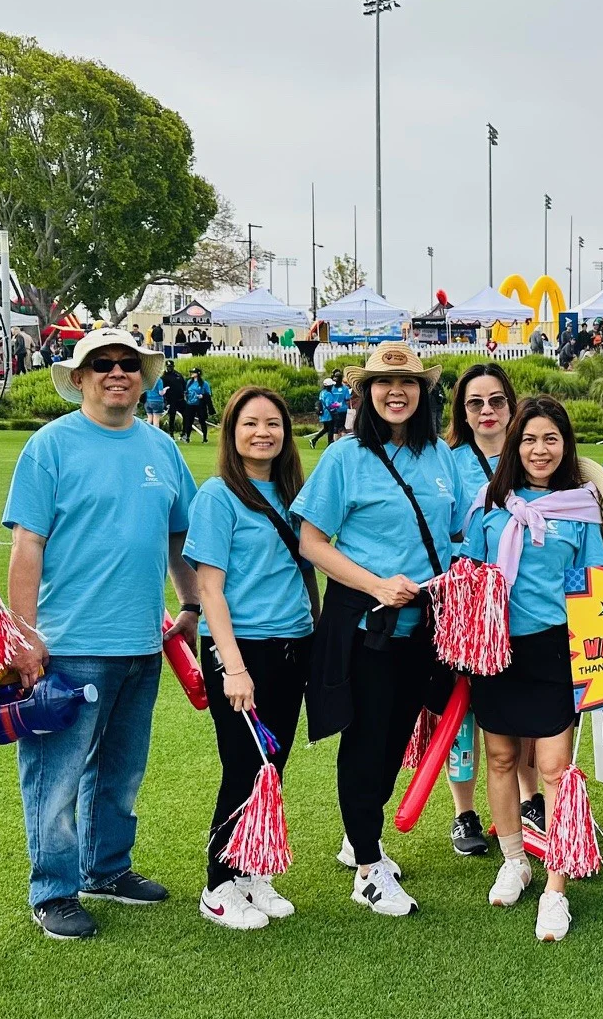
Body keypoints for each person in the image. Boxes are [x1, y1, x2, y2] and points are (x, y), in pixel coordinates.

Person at [4, 329, 200, 940]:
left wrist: (190, 602)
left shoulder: (161, 448)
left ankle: (107, 869)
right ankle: (54, 890)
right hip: (71, 644)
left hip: (143, 642)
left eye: (128, 365)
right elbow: (25, 546)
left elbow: (178, 537)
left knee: (121, 770)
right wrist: (23, 632)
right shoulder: (50, 446)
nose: (118, 373)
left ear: (144, 378)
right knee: (56, 775)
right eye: (103, 365)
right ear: (81, 377)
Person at [294, 343, 460, 918]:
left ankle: (361, 837)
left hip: (426, 627)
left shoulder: (441, 454)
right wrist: (373, 584)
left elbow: (458, 530)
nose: (397, 392)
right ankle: (366, 865)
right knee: (366, 743)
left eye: (408, 383)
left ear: (423, 393)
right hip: (368, 627)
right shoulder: (345, 459)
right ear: (364, 393)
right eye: (384, 383)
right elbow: (311, 541)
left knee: (394, 741)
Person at [459, 396, 603, 940]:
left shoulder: (581, 507)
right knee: (501, 758)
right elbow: (473, 572)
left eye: (550, 438)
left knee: (555, 768)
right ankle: (514, 859)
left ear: (565, 445)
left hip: (556, 648)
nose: (539, 449)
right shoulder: (488, 505)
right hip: (494, 649)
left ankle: (556, 888)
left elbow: (597, 582)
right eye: (529, 439)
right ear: (514, 444)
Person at [185, 386, 316, 931]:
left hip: (294, 647)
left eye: (273, 424)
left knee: (272, 769)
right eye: (250, 424)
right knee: (244, 766)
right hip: (242, 653)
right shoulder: (218, 496)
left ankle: (250, 871)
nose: (263, 433)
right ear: (231, 433)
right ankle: (218, 886)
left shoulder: (294, 492)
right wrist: (233, 669)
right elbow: (209, 590)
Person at [446, 362, 521, 856]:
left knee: (521, 705)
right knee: (463, 709)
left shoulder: (534, 455)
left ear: (512, 407)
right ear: (463, 412)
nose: (488, 411)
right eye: (476, 403)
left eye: (497, 401)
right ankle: (463, 813)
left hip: (525, 603)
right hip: (466, 602)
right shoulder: (445, 461)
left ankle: (529, 798)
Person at [183, 368, 212, 442]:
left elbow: (208, 393)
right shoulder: (189, 382)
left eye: (194, 372)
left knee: (202, 420)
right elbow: (186, 391)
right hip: (190, 404)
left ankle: (205, 437)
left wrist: (202, 396)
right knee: (189, 421)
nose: (192, 374)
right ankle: (187, 437)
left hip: (200, 404)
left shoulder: (204, 383)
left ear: (198, 374)